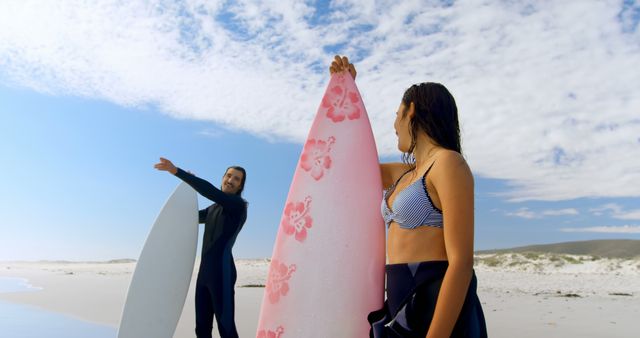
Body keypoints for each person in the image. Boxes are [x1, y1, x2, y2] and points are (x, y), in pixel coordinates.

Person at [330, 56, 487, 337]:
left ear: (410, 110)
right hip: (400, 301)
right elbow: (344, 164)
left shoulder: (448, 164)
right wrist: (346, 90)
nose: (393, 125)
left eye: (396, 114)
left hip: (435, 302)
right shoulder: (404, 174)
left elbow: (461, 262)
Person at [154, 157, 248, 338]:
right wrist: (185, 193)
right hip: (204, 274)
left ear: (240, 186)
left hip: (222, 273)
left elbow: (210, 191)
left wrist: (177, 172)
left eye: (236, 179)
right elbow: (189, 217)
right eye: (228, 176)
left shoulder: (238, 206)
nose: (231, 180)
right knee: (202, 328)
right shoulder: (213, 209)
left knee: (226, 328)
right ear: (223, 178)